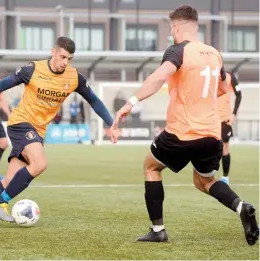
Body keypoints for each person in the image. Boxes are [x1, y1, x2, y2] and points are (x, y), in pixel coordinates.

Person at [110, 5, 258, 245]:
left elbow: (158, 77)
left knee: (151, 167)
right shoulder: (214, 53)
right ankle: (242, 207)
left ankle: (158, 230)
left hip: (181, 133)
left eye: (171, 28)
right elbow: (222, 88)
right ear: (196, 26)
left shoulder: (177, 51)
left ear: (175, 27)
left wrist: (130, 103)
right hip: (211, 135)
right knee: (206, 181)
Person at [0, 36, 117, 227]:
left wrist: (111, 123)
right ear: (53, 52)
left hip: (38, 131)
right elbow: (5, 83)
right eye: (63, 57)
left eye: (69, 59)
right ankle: (0, 203)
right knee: (40, 163)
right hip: (20, 123)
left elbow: (94, 100)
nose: (65, 62)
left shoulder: (74, 78)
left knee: (9, 180)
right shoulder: (32, 69)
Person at [218, 71, 242, 185]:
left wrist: (233, 114)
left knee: (225, 148)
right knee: (207, 147)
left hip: (225, 119)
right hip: (209, 119)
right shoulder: (208, 75)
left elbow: (239, 94)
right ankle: (207, 174)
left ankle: (225, 177)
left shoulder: (230, 76)